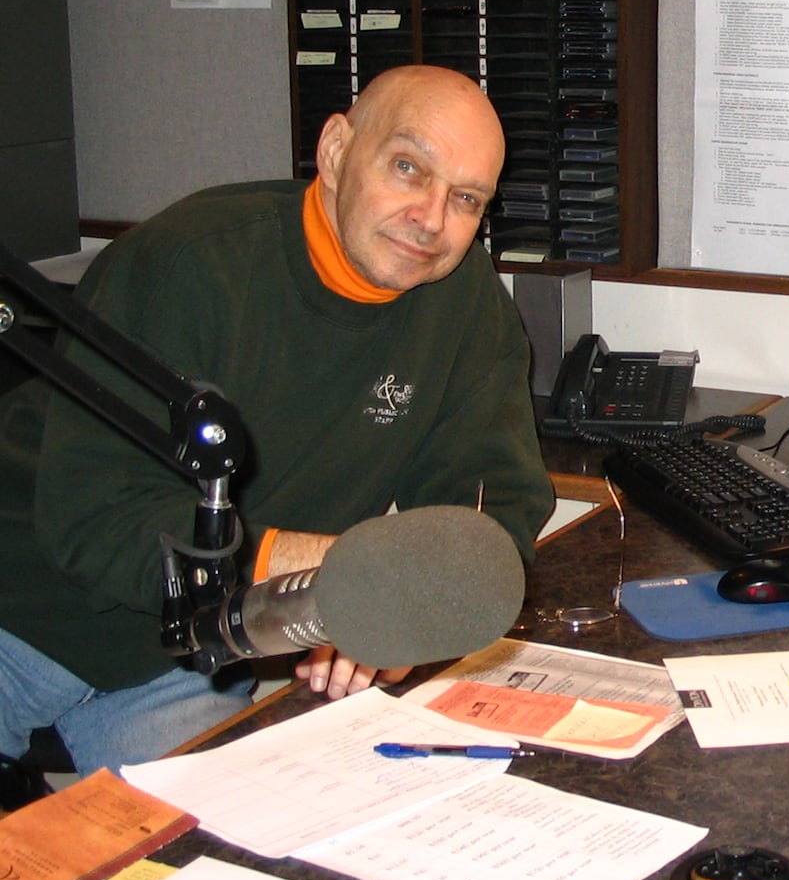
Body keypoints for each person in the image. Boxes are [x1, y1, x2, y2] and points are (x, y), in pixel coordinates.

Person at [0, 65, 554, 781]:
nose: (432, 217)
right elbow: (98, 516)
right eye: (409, 167)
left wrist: (410, 614)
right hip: (26, 604)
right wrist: (338, 590)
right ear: (335, 152)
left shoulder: (465, 307)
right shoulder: (191, 265)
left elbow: (492, 510)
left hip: (186, 658)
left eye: (466, 198)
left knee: (180, 870)